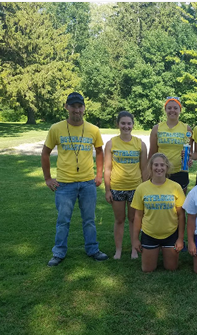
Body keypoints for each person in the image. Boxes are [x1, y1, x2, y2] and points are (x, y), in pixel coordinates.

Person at [42, 92, 108, 266]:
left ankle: (93, 249)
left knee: (89, 219)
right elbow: (45, 152)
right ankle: (58, 253)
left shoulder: (93, 129)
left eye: (80, 106)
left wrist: (99, 174)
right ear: (66, 107)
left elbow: (100, 152)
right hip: (64, 184)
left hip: (88, 183)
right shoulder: (56, 128)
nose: (77, 110)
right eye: (73, 106)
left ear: (84, 108)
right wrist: (48, 178)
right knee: (63, 220)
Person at [104, 111, 148, 260]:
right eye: (123, 123)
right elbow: (107, 168)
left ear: (133, 125)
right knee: (119, 219)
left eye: (129, 123)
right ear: (118, 124)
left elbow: (144, 169)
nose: (126, 126)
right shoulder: (111, 143)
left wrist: (145, 189)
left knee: (134, 219)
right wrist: (107, 190)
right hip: (117, 187)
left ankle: (135, 249)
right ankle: (118, 250)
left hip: (135, 188)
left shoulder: (140, 144)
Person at [131, 153, 186, 272]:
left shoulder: (176, 187)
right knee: (147, 269)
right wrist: (135, 239)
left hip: (170, 233)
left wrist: (180, 238)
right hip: (149, 233)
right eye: (156, 165)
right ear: (150, 167)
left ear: (167, 168)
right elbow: (138, 215)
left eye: (162, 165)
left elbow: (181, 215)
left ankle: (165, 250)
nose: (159, 168)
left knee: (171, 268)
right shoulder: (142, 188)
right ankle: (155, 250)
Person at [148, 97, 193, 193]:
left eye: (175, 108)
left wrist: (189, 160)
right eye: (169, 108)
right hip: (160, 171)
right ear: (165, 110)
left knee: (179, 204)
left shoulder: (187, 129)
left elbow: (189, 152)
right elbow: (152, 153)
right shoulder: (157, 128)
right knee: (161, 201)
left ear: (180, 110)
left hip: (180, 171)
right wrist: (149, 172)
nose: (172, 110)